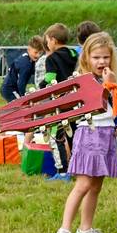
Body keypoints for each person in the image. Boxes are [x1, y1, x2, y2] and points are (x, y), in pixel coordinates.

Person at [54, 31, 117, 233]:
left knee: (96, 185)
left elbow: (112, 107)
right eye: (96, 57)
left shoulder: (108, 78)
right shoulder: (82, 80)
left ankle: (85, 229)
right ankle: (64, 230)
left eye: (105, 57)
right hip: (89, 134)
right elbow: (95, 101)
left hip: (106, 135)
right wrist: (109, 85)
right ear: (86, 58)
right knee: (83, 184)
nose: (102, 61)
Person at [40, 23, 80, 180]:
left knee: (56, 135)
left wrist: (40, 88)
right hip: (76, 100)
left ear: (53, 40)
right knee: (75, 134)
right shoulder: (74, 54)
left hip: (59, 103)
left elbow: (50, 79)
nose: (47, 44)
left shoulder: (52, 58)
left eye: (47, 40)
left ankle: (62, 171)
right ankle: (79, 167)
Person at [0, 35, 43, 102]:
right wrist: (24, 96)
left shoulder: (30, 59)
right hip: (10, 89)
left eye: (40, 53)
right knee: (20, 105)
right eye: (36, 52)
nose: (38, 55)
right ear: (29, 49)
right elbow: (21, 82)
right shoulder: (26, 64)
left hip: (13, 88)